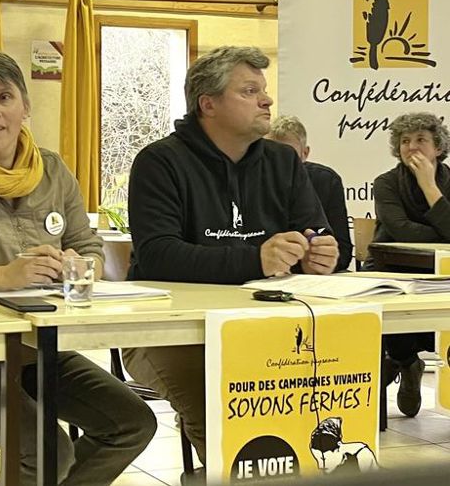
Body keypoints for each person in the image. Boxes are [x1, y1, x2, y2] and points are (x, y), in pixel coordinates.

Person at [0, 50, 156, 485]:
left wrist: (79, 265)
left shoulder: (52, 169)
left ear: (25, 107)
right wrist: (4, 276)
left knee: (131, 423)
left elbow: (89, 247)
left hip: (41, 347)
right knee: (47, 452)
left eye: (4, 97)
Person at [122, 46, 339, 470]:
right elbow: (158, 256)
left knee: (326, 388)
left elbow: (315, 230)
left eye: (264, 90)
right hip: (172, 330)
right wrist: (255, 259)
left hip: (268, 324)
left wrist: (320, 253)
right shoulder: (159, 162)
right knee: (223, 403)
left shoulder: (282, 162)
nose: (267, 101)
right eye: (249, 91)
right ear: (209, 104)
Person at [364, 112, 448, 417]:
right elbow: (399, 229)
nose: (411, 147)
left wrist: (430, 186)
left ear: (437, 148)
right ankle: (407, 362)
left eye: (421, 140)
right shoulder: (385, 183)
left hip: (440, 271)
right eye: (405, 141)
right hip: (390, 268)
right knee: (386, 299)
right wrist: (442, 231)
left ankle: (405, 362)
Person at [267, 115, 353, 271]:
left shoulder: (326, 181)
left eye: (288, 156)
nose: (279, 163)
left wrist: (322, 260)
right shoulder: (250, 180)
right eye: (271, 155)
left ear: (305, 153)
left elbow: (342, 251)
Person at [309, 417, 378, 474]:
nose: (320, 466)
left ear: (339, 447)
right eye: (317, 459)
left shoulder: (361, 454)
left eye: (323, 459)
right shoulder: (330, 468)